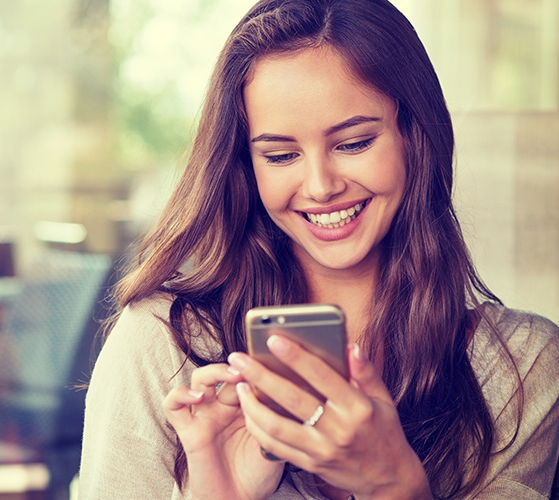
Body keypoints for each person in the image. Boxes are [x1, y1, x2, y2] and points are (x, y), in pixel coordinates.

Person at [78, 0, 559, 498]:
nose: (320, 186)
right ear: (247, 166)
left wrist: (395, 486)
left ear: (416, 137)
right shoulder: (159, 343)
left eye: (353, 143)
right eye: (281, 155)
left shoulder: (519, 369)